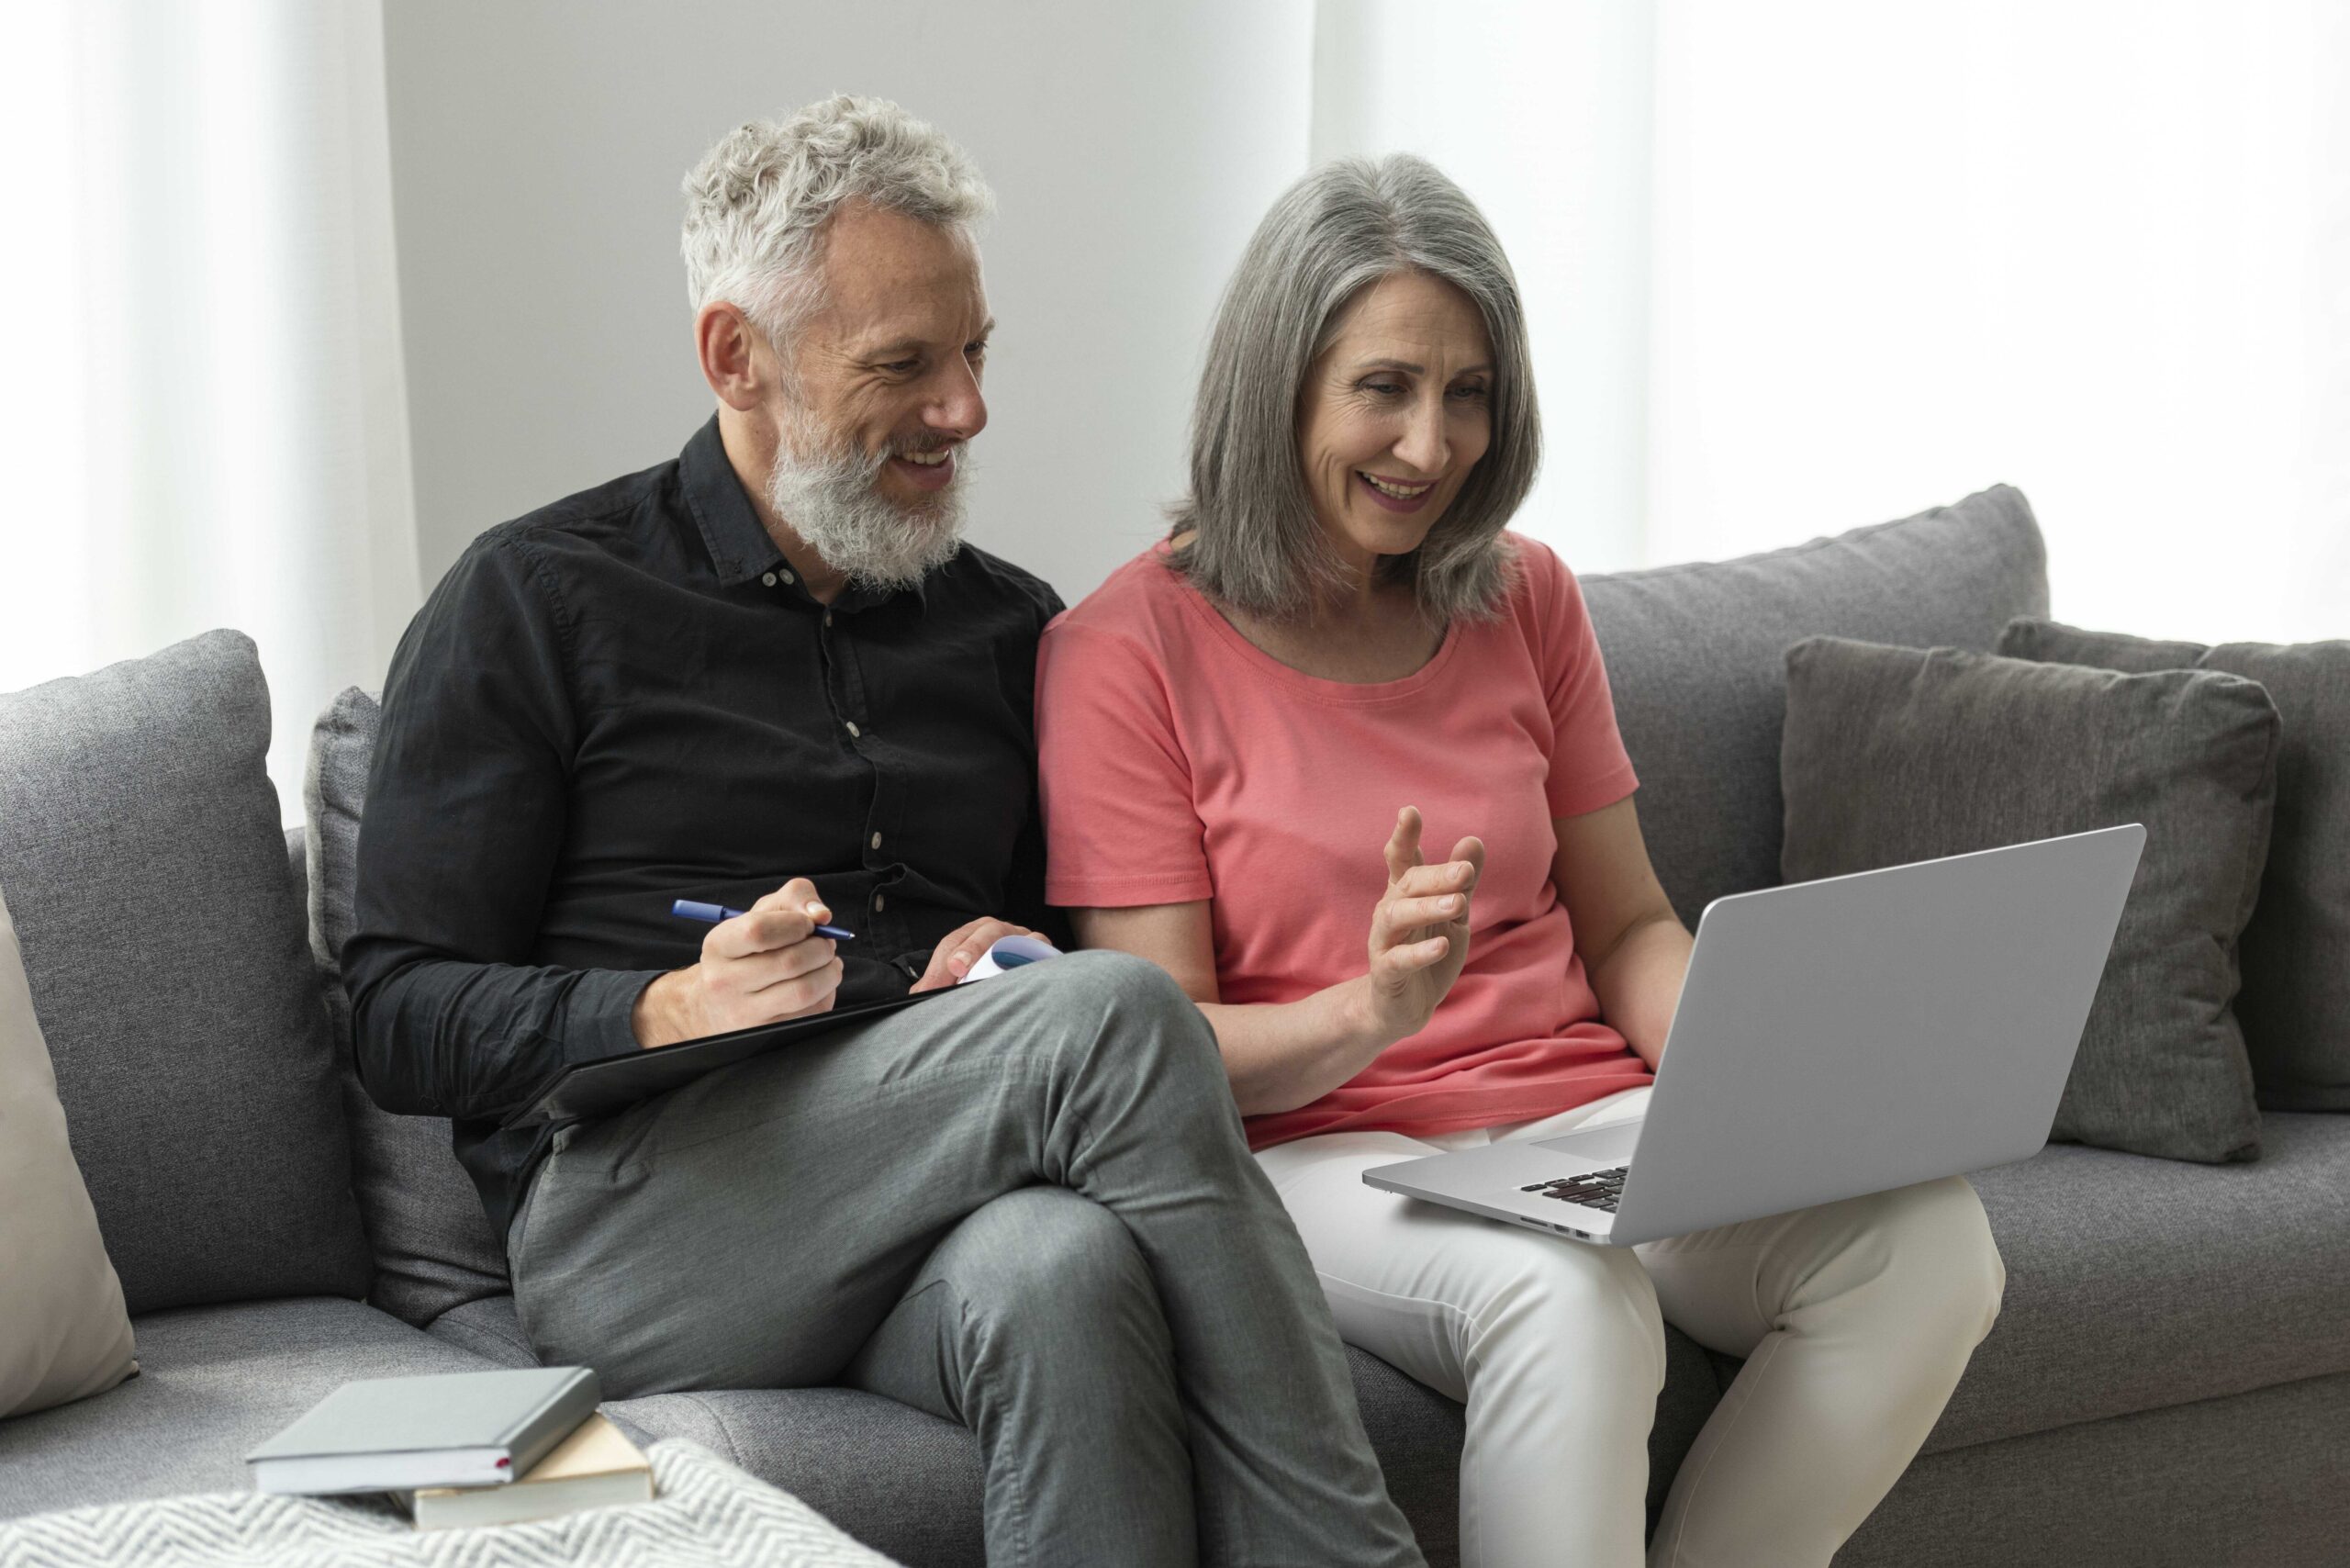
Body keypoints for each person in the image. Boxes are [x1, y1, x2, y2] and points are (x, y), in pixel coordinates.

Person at [344, 96, 1425, 1568]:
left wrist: (1005, 961)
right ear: (738, 356)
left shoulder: (1003, 627)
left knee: (1062, 1268)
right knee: (1107, 1022)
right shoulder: (536, 600)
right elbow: (396, 1012)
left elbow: (1047, 992)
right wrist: (664, 1004)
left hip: (938, 1188)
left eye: (975, 353)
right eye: (903, 366)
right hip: (645, 1224)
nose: (965, 410)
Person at [1035, 153, 2008, 1568]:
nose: (1431, 446)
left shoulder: (1524, 597)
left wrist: (1770, 1074)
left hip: (1573, 1125)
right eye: (1385, 386)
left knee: (1925, 1248)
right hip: (1325, 1157)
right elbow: (1152, 1044)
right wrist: (1368, 1010)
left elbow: (1626, 933)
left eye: (1468, 392)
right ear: (1278, 383)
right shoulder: (1125, 649)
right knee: (1571, 1298)